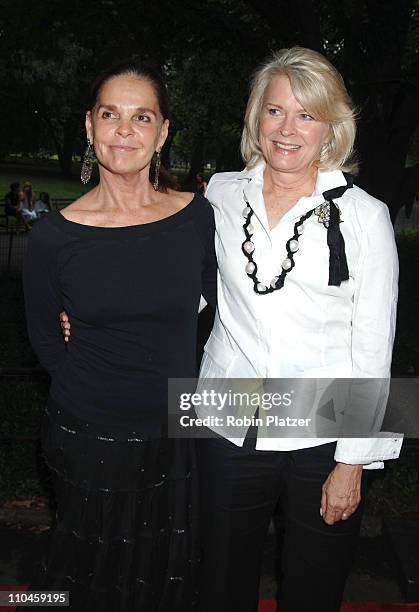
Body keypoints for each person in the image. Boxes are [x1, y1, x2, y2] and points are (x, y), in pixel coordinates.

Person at [195, 47, 402, 612]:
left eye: (307, 115)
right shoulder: (219, 193)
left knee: (314, 589)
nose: (287, 129)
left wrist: (352, 460)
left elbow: (373, 348)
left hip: (326, 430)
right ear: (255, 117)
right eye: (275, 110)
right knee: (217, 584)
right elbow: (187, 288)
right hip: (228, 420)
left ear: (331, 127)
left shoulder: (365, 216)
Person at [23, 60, 216, 612]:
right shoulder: (52, 239)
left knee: (164, 574)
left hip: (175, 434)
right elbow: (44, 344)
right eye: (111, 115)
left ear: (163, 132)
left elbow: (220, 306)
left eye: (142, 117)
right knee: (88, 574)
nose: (125, 130)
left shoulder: (196, 217)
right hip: (87, 438)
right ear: (89, 126)